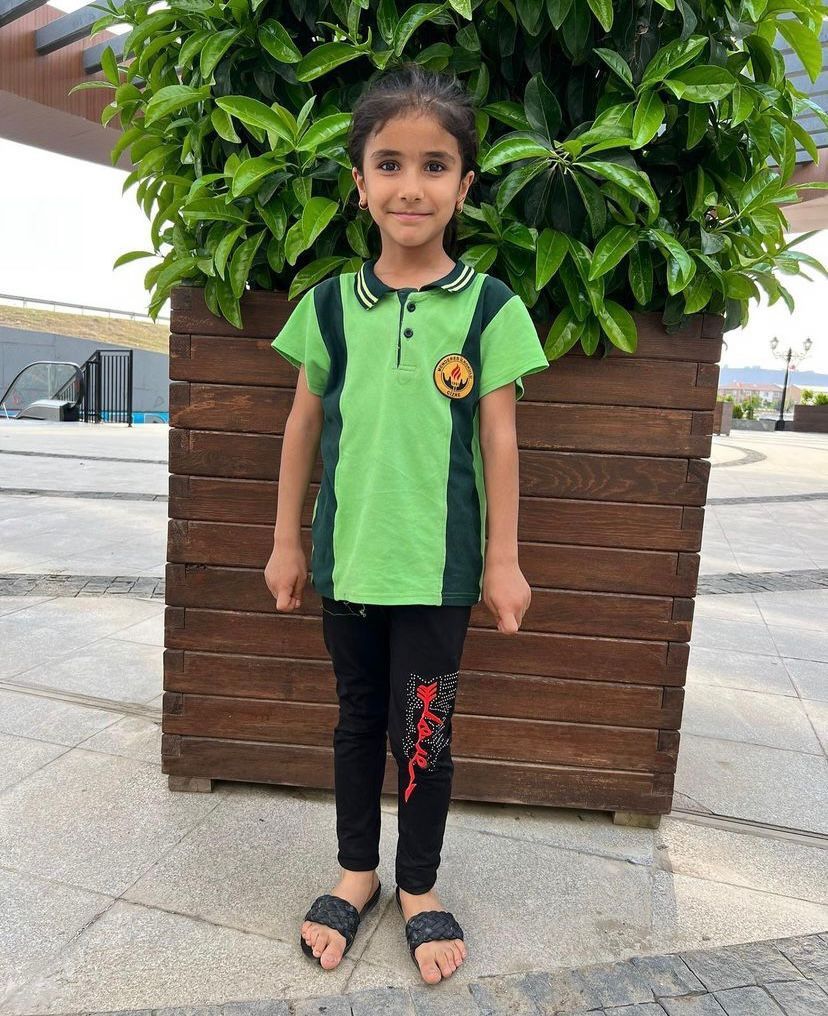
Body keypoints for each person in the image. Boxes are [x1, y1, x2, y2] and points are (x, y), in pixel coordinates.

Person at [263, 61, 550, 986]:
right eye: (389, 164)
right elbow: (302, 426)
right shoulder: (328, 309)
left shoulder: (491, 308)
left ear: (465, 187)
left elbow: (499, 442)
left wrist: (504, 561)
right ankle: (357, 873)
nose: (411, 186)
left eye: (434, 166)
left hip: (439, 571)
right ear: (360, 184)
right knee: (357, 722)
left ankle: (418, 886)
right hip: (348, 563)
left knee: (423, 735)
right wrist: (285, 542)